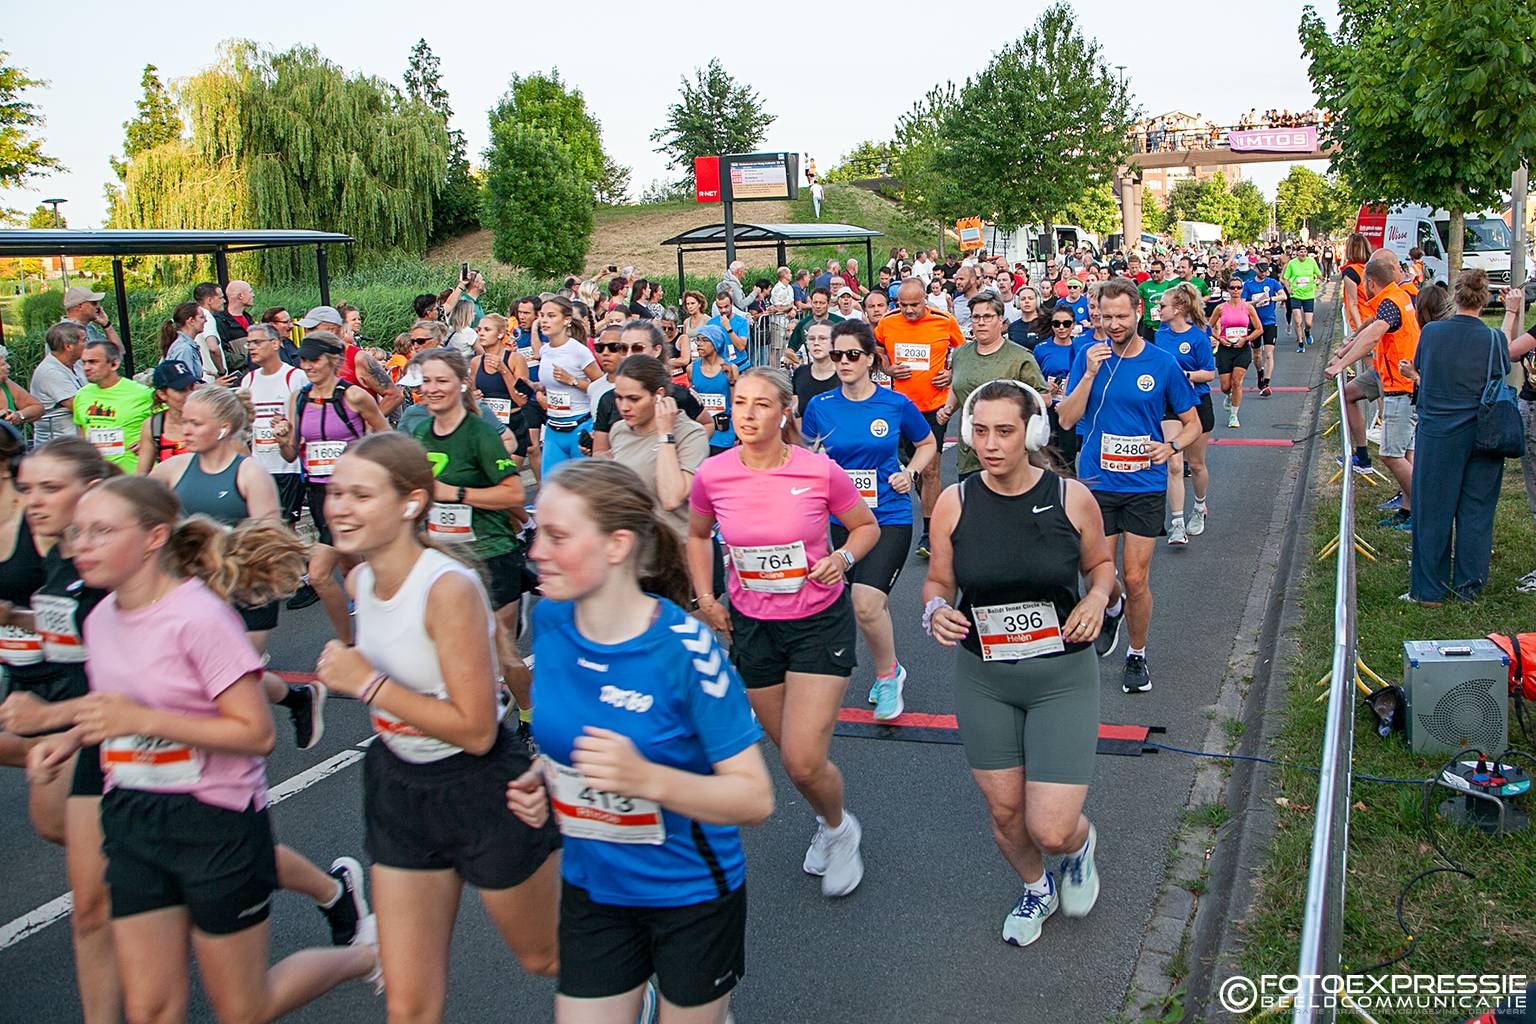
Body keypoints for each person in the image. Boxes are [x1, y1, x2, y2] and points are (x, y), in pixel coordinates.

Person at [25, 474, 381, 1023]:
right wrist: (66, 735)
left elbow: (256, 734)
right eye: (79, 532)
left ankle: (367, 957)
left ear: (153, 538)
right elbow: (118, 703)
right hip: (132, 815)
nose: (83, 545)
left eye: (102, 531)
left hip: (214, 822)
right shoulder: (99, 620)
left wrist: (140, 720)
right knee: (151, 1007)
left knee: (243, 1009)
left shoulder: (199, 617)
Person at [505, 458, 771, 1022]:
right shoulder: (551, 623)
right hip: (593, 885)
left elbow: (754, 798)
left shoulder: (686, 651)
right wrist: (546, 777)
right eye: (536, 533)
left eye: (557, 536)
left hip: (690, 894)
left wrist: (646, 778)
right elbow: (570, 737)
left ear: (617, 545)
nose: (536, 552)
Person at [306, 433, 560, 1021]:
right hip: (398, 784)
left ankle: (647, 998)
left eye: (361, 495)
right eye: (337, 492)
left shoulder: (445, 589)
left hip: (480, 788)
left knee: (545, 957)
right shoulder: (361, 579)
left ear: (411, 503)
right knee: (409, 1001)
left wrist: (368, 683)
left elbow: (476, 731)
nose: (340, 507)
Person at [921, 380, 1116, 947]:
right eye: (980, 431)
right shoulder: (954, 502)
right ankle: (1037, 888)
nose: (990, 444)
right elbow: (938, 580)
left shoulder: (1072, 498)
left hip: (1061, 679)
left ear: (1031, 434)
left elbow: (1101, 566)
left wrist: (1096, 598)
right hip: (985, 679)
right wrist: (935, 609)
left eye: (1004, 431)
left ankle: (1077, 846)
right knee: (1006, 813)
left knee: (1051, 828)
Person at [687, 368, 879, 898]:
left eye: (761, 405)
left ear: (785, 412)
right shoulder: (713, 474)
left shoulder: (819, 471)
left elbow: (866, 527)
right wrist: (706, 598)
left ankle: (841, 830)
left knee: (801, 758)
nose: (747, 415)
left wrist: (842, 559)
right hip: (752, 626)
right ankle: (829, 822)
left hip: (818, 622)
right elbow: (697, 535)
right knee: (793, 760)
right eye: (739, 403)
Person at [1056, 278, 1199, 694]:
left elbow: (1192, 423)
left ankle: (1137, 654)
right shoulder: (1087, 356)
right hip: (1097, 482)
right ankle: (1113, 606)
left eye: (1121, 316)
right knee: (1095, 574)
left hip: (1143, 484)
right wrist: (1088, 374)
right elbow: (1066, 418)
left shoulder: (1162, 363)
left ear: (1138, 312)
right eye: (1106, 316)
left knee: (1136, 578)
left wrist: (1171, 447)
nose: (1114, 324)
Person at [801, 321, 936, 721]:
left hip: (888, 516)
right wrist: (816, 465)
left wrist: (910, 472)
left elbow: (927, 443)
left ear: (870, 359)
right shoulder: (820, 406)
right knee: (863, 604)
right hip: (841, 520)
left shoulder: (894, 404)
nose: (843, 361)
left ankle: (888, 676)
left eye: (852, 355)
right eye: (836, 354)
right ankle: (886, 667)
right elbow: (805, 455)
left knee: (865, 601)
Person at [1399, 271, 1511, 603]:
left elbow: (1423, 372)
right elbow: (1502, 372)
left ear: (1455, 296)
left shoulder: (1432, 333)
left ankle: (1428, 589)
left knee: (1432, 511)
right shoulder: (1494, 339)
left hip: (1438, 432)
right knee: (1477, 511)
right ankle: (1468, 587)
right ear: (1485, 299)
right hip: (1483, 432)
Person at [271, 331, 390, 641]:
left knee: (320, 574)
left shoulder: (354, 396)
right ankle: (369, 635)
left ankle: (350, 641)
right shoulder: (298, 399)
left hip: (353, 494)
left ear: (333, 360)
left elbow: (386, 435)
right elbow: (290, 454)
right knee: (352, 568)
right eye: (304, 360)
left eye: (314, 360)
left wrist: (364, 463)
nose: (307, 366)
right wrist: (283, 439)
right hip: (318, 494)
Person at [1324, 256, 1419, 532]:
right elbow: (1369, 326)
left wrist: (1341, 364)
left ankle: (1426, 508)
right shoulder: (1393, 297)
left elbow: (1373, 336)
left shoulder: (1391, 301)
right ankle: (1408, 509)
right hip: (1393, 380)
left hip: (1401, 387)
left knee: (1391, 454)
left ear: (1370, 283)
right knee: (1405, 452)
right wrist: (1343, 350)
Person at [876, 280, 965, 557]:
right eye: (903, 305)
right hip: (901, 407)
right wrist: (888, 369)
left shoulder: (944, 320)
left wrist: (951, 373)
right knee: (912, 467)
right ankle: (931, 507)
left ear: (925, 299)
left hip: (933, 406)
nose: (909, 310)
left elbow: (964, 352)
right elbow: (877, 348)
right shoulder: (888, 321)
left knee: (930, 470)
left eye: (914, 305)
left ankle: (931, 533)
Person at [941, 293, 1047, 482]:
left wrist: (1009, 406)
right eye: (976, 317)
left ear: (1001, 320)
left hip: (1008, 453)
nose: (981, 322)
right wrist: (948, 408)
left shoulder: (1020, 357)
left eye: (988, 316)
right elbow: (959, 385)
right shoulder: (961, 354)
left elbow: (1044, 397)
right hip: (969, 453)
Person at [606, 354, 711, 544]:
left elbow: (671, 499)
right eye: (619, 398)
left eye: (634, 399)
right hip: (636, 549)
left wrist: (665, 434)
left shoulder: (690, 434)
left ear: (658, 395)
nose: (624, 407)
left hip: (678, 548)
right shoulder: (619, 430)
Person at [1152, 286, 1218, 545]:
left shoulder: (1198, 337)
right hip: (1170, 406)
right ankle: (1177, 523)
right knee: (1174, 463)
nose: (1159, 309)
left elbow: (1209, 373)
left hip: (1197, 403)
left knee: (1197, 464)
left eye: (1163, 306)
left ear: (1178, 309)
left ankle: (1200, 507)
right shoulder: (1160, 335)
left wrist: (1184, 376)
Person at [240, 324, 308, 529]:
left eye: (257, 342)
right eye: (249, 344)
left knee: (286, 529)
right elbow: (244, 425)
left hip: (288, 467)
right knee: (263, 528)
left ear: (275, 344)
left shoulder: (295, 377)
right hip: (259, 467)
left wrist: (287, 427)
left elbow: (305, 419)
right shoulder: (249, 380)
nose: (252, 348)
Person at [535, 296, 603, 475]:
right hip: (553, 428)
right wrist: (538, 390)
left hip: (580, 427)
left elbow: (601, 386)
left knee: (582, 486)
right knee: (550, 485)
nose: (544, 320)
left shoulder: (579, 351)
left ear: (566, 320)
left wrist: (573, 381)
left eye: (551, 316)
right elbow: (549, 385)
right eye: (542, 315)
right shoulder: (545, 350)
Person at [72, 340, 155, 473]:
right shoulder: (82, 394)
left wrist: (148, 442)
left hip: (135, 474)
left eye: (93, 362)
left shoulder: (142, 393)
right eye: (84, 362)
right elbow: (83, 432)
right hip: (99, 475)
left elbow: (171, 420)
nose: (86, 367)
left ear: (114, 364)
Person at [1209, 278, 1262, 430]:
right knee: (1225, 386)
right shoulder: (1220, 308)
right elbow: (1210, 327)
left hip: (1242, 348)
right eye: (1232, 287)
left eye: (1238, 287)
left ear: (1242, 289)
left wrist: (1246, 339)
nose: (1235, 290)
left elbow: (1259, 329)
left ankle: (1234, 415)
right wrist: (1219, 339)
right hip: (1225, 348)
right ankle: (1228, 395)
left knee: (1237, 382)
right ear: (1228, 290)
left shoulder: (1248, 307)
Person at [134, 359, 200, 474]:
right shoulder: (154, 426)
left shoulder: (211, 419)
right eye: (181, 390)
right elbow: (142, 474)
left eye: (191, 387)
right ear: (162, 394)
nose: (189, 394)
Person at [32, 322, 89, 448]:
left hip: (76, 442)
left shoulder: (77, 364)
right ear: (68, 346)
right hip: (59, 447)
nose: (88, 344)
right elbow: (80, 408)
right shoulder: (50, 372)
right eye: (84, 340)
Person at [691, 324, 738, 458]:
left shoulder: (730, 368)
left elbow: (736, 403)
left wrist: (732, 381)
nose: (699, 344)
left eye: (705, 340)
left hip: (723, 433)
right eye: (697, 340)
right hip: (701, 432)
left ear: (716, 343)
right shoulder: (691, 369)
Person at [1240, 260, 1286, 395]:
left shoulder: (1272, 282)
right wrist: (1255, 302)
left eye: (1265, 271)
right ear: (1256, 270)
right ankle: (1260, 371)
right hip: (1254, 323)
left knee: (1269, 353)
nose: (1264, 273)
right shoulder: (1248, 285)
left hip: (1269, 322)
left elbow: (1283, 296)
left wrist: (1271, 299)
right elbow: (1242, 303)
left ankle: (1266, 383)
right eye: (1261, 271)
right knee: (1257, 354)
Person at [791, 320, 840, 421]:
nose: (816, 343)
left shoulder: (845, 375)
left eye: (822, 338)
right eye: (811, 339)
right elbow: (796, 414)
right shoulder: (800, 373)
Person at [1281, 246, 1323, 350]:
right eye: (1301, 252)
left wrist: (1317, 282)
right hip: (1295, 295)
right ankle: (1300, 343)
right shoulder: (1292, 263)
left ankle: (1307, 332)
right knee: (1298, 321)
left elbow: (1319, 276)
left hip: (1308, 295)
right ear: (1297, 253)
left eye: (1304, 252)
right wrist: (1289, 289)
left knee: (1308, 323)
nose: (1303, 254)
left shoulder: (1311, 262)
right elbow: (1285, 279)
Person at [0, 344, 42, 431]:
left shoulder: (6, 383)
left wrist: (19, 415)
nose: (8, 366)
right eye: (3, 364)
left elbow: (38, 407)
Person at [1136, 260, 1177, 341]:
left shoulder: (1170, 285)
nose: (1154, 274)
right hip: (1149, 326)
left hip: (1166, 326)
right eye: (1152, 271)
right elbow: (1132, 295)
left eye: (1157, 271)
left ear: (1164, 271)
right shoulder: (1145, 285)